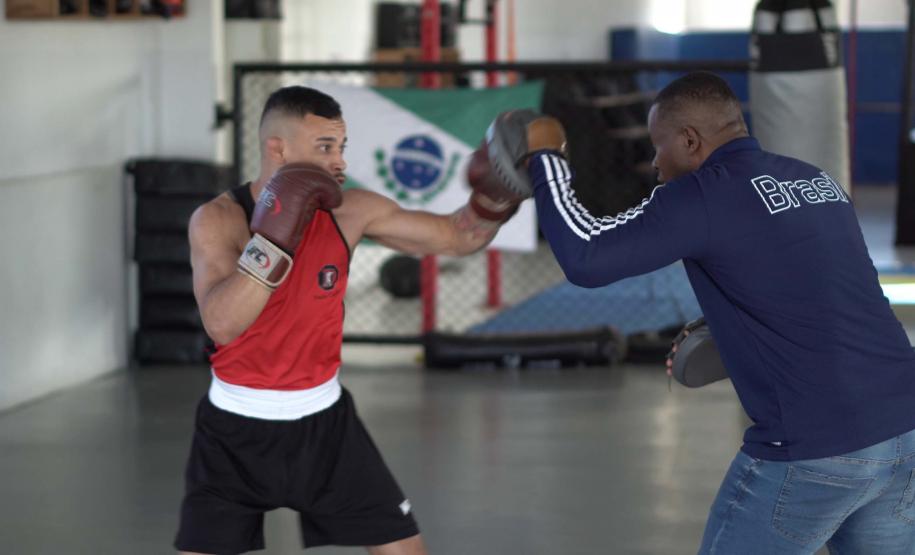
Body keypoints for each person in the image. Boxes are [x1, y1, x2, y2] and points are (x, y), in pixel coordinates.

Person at [490, 72, 915, 554]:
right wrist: (734, 331)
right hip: (905, 428)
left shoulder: (703, 194)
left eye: (658, 146)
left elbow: (587, 255)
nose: (655, 163)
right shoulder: (815, 180)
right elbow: (830, 289)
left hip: (815, 447)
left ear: (690, 140)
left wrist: (546, 161)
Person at [175, 85, 555, 554]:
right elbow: (222, 323)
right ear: (278, 148)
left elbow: (455, 238)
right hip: (234, 428)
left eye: (342, 147)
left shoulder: (350, 212)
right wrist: (275, 236)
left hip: (326, 425)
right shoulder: (218, 220)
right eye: (325, 147)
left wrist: (496, 197)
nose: (340, 163)